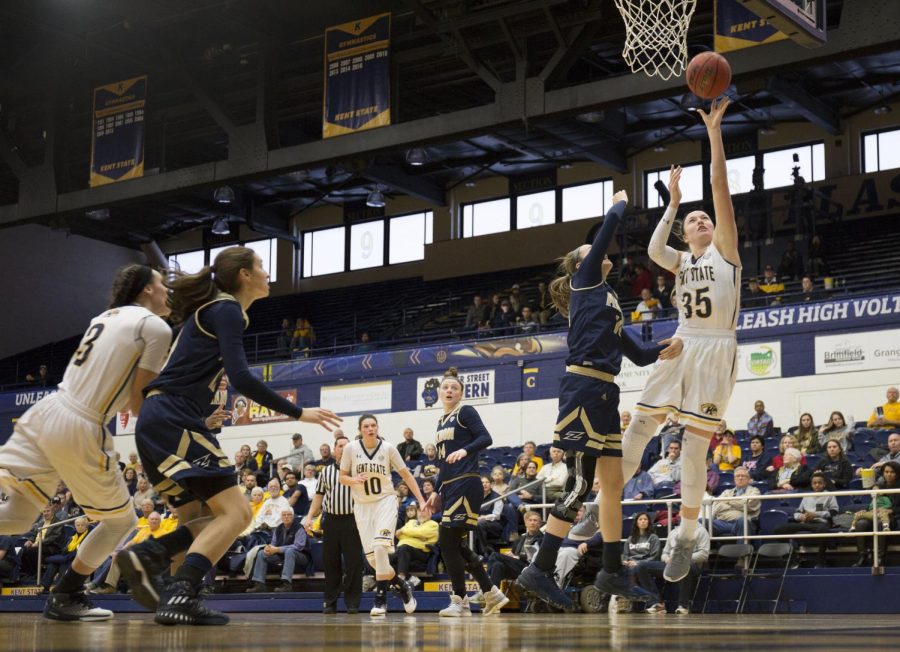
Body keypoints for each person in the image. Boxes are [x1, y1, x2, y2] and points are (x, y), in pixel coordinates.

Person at [117, 247, 341, 627]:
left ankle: (171, 586)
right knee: (237, 514)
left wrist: (201, 410)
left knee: (199, 517)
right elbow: (241, 377)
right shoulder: (226, 310)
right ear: (243, 275)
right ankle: (172, 579)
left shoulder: (214, 312)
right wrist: (299, 411)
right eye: (261, 267)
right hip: (174, 418)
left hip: (161, 419)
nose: (268, 273)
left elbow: (182, 372)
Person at [516, 188, 679, 611]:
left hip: (605, 391)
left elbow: (638, 354)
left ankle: (610, 569)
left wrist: (671, 345)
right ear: (579, 264)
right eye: (591, 252)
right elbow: (605, 234)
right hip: (583, 388)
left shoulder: (607, 301)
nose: (600, 254)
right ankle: (541, 566)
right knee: (579, 483)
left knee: (611, 485)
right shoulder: (584, 281)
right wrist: (619, 205)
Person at [0, 264, 172, 621]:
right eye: (162, 284)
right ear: (146, 291)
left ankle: (67, 593)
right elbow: (139, 403)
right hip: (80, 424)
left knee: (16, 518)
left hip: (47, 410)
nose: (167, 290)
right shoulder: (155, 327)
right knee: (121, 522)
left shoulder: (106, 316)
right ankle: (68, 593)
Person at [621, 98, 742, 587]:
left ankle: (687, 535)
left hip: (716, 348)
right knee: (638, 428)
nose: (700, 221)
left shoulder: (726, 252)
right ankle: (598, 501)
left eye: (702, 218)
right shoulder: (680, 261)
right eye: (692, 220)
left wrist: (713, 131)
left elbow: (720, 189)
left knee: (693, 451)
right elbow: (652, 249)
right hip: (682, 344)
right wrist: (672, 203)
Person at [425, 368, 509, 617]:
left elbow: (486, 437)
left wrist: (465, 450)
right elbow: (442, 463)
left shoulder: (466, 411)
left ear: (461, 393)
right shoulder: (441, 421)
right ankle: (491, 593)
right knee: (454, 544)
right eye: (446, 387)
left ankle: (460, 601)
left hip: (467, 483)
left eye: (454, 388)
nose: (449, 390)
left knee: (447, 541)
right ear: (440, 392)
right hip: (450, 486)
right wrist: (436, 490)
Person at [340, 414, 427, 616]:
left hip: (385, 501)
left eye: (373, 425)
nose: (370, 429)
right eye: (366, 426)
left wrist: (421, 499)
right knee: (374, 561)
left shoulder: (388, 449)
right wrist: (354, 480)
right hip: (362, 507)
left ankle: (380, 600)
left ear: (377, 428)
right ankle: (402, 586)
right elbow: (342, 477)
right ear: (360, 429)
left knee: (380, 547)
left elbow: (406, 475)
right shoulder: (351, 449)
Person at [304, 435, 362, 614]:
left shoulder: (358, 470)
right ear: (334, 449)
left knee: (353, 564)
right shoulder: (326, 472)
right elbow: (319, 497)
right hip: (331, 521)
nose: (343, 448)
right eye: (340, 446)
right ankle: (330, 602)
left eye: (346, 445)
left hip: (353, 521)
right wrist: (309, 516)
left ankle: (353, 604)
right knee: (331, 564)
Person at [641, 524, 710, 614]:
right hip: (671, 564)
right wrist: (666, 559)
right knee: (641, 566)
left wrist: (682, 558)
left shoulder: (701, 531)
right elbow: (664, 553)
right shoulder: (673, 532)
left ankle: (683, 605)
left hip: (691, 564)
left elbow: (704, 554)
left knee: (683, 566)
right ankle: (656, 603)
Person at [773, 473, 838, 567]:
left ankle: (821, 559)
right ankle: (794, 556)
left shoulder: (829, 495)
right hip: (805, 522)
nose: (817, 485)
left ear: (824, 484)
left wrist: (815, 514)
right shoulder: (807, 495)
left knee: (823, 530)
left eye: (819, 483)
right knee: (778, 529)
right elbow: (797, 512)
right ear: (811, 485)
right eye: (814, 483)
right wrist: (802, 517)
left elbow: (834, 512)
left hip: (819, 523)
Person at [245, 508, 309, 593]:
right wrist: (269, 548)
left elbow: (298, 547)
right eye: (284, 515)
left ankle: (286, 584)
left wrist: (278, 549)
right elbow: (273, 543)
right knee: (261, 553)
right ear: (281, 517)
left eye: (289, 515)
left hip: (301, 556)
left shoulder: (299, 528)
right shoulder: (278, 528)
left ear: (293, 517)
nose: (286, 517)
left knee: (290, 551)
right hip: (282, 554)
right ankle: (259, 584)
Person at [851, 461, 900, 566]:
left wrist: (892, 510)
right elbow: (873, 503)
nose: (889, 474)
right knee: (860, 523)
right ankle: (862, 556)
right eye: (886, 472)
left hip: (892, 517)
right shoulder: (879, 486)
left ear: (897, 473)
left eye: (892, 472)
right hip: (874, 514)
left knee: (879, 524)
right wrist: (866, 510)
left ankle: (880, 557)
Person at [486, 510, 543, 588]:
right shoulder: (522, 538)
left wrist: (519, 557)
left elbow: (539, 558)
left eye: (535, 520)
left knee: (495, 555)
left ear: (540, 524)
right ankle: (494, 595)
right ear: (526, 523)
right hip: (516, 567)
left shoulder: (542, 539)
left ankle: (485, 586)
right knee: (497, 565)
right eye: (530, 520)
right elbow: (513, 553)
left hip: (529, 568)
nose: (532, 523)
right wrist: (511, 555)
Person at [393, 503, 439, 588]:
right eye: (419, 511)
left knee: (404, 548)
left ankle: (402, 578)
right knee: (384, 558)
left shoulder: (433, 524)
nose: (421, 513)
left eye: (424, 511)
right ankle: (410, 578)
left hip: (421, 553)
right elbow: (399, 536)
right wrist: (416, 535)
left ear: (430, 513)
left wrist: (404, 531)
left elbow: (422, 532)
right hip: (403, 550)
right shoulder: (411, 522)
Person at [706, 467, 761, 537]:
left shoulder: (754, 491)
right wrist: (738, 504)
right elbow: (717, 507)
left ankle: (742, 548)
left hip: (743, 524)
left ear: (748, 479)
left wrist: (727, 501)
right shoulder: (726, 492)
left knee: (742, 520)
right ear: (734, 479)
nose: (740, 478)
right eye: (738, 476)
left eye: (743, 476)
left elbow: (748, 505)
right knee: (702, 522)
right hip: (723, 523)